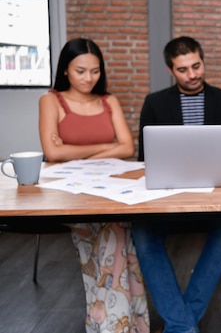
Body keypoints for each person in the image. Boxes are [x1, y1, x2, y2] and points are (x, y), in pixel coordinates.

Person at [132, 36, 221, 333]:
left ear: (203, 61)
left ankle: (178, 326)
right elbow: (145, 158)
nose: (192, 74)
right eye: (183, 69)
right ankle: (184, 326)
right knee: (143, 234)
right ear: (171, 70)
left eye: (196, 65)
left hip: (215, 197)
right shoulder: (155, 104)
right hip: (168, 198)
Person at [38, 38, 149, 333]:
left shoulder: (108, 100)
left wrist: (74, 150)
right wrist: (106, 146)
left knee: (115, 239)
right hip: (72, 195)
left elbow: (127, 147)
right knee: (116, 244)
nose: (89, 79)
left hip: (114, 190)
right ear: (65, 71)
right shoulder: (51, 100)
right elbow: (52, 155)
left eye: (95, 71)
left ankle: (104, 323)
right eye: (80, 71)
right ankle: (124, 325)